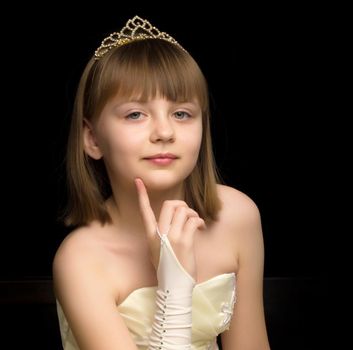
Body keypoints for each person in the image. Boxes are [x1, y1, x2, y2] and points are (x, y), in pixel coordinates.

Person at [53, 16, 270, 350]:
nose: (165, 133)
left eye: (182, 113)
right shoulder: (81, 259)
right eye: (135, 114)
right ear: (93, 138)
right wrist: (174, 289)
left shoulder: (237, 217)